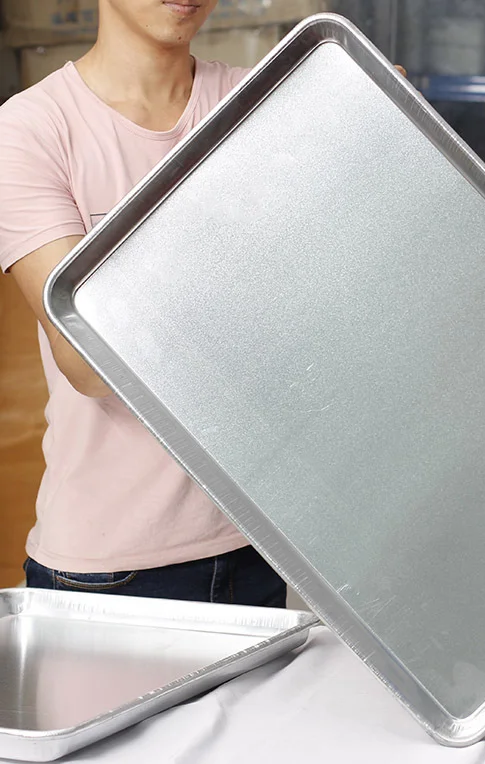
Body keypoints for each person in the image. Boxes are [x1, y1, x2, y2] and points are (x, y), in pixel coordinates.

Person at [0, 0, 292, 604]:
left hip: (258, 541)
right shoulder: (30, 130)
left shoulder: (266, 100)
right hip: (111, 566)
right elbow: (88, 362)